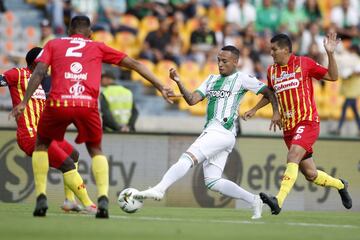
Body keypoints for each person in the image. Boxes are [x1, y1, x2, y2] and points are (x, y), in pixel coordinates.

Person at [11, 15, 177, 218]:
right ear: (90, 34)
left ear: (68, 31)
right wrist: (160, 86)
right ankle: (102, 200)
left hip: (58, 102)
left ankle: (42, 196)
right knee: (96, 150)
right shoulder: (97, 46)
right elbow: (135, 64)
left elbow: (38, 72)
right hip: (86, 104)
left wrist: (24, 102)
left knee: (42, 145)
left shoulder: (54, 44)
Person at [134, 45, 282, 220]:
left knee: (187, 158)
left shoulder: (242, 78)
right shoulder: (211, 79)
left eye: (224, 61)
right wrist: (179, 81)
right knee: (212, 181)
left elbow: (269, 92)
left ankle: (159, 189)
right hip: (220, 134)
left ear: (235, 62)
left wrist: (269, 111)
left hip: (221, 130)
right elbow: (191, 100)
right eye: (218, 60)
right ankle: (254, 200)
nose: (220, 64)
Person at [243, 33, 352, 215]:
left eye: (274, 49)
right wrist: (255, 109)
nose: (271, 53)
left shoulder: (304, 63)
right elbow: (271, 94)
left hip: (307, 121)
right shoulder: (272, 71)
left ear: (286, 50)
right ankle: (341, 185)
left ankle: (278, 201)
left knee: (292, 156)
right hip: (288, 128)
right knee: (310, 174)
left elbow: (333, 76)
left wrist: (330, 54)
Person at [1, 47, 96, 214]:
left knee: (73, 155)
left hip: (45, 135)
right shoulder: (18, 74)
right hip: (30, 136)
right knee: (67, 164)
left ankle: (69, 202)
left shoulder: (40, 83)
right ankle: (90, 205)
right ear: (36, 62)